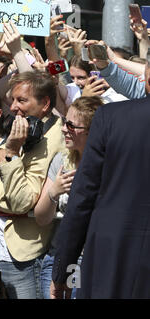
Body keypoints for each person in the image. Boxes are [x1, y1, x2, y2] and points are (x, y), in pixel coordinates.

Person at [51, 56, 150, 299]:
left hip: (112, 259)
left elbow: (83, 195)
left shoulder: (111, 118)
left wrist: (63, 271)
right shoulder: (110, 117)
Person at [0, 71, 65, 299]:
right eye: (12, 100)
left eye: (22, 100)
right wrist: (6, 151)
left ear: (45, 105)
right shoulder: (24, 128)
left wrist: (10, 152)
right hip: (5, 247)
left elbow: (21, 202)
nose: (13, 107)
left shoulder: (55, 138)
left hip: (26, 251)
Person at [33, 96, 103, 299]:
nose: (64, 129)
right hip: (60, 258)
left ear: (91, 131)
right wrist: (54, 191)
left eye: (71, 125)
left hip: (93, 261)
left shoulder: (110, 167)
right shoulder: (62, 161)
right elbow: (41, 218)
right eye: (64, 122)